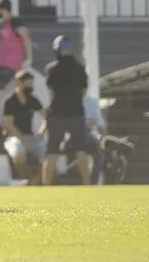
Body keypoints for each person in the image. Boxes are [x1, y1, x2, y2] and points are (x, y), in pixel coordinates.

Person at [42, 36, 91, 186]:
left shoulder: (51, 68)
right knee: (81, 150)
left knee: (52, 151)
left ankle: (46, 185)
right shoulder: (80, 67)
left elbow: (50, 90)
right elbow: (84, 90)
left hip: (56, 113)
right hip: (76, 113)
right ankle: (87, 184)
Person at [0, 0, 33, 97]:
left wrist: (28, 58)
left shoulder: (15, 22)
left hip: (8, 65)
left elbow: (26, 39)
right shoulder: (4, 24)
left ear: (2, 9)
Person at [3, 71, 45, 183]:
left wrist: (41, 132)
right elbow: (9, 125)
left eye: (31, 83)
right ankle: (26, 178)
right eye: (28, 83)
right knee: (19, 155)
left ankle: (36, 182)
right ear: (19, 83)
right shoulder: (10, 101)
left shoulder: (33, 100)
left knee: (47, 155)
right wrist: (24, 141)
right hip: (13, 136)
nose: (30, 86)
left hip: (31, 135)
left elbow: (46, 117)